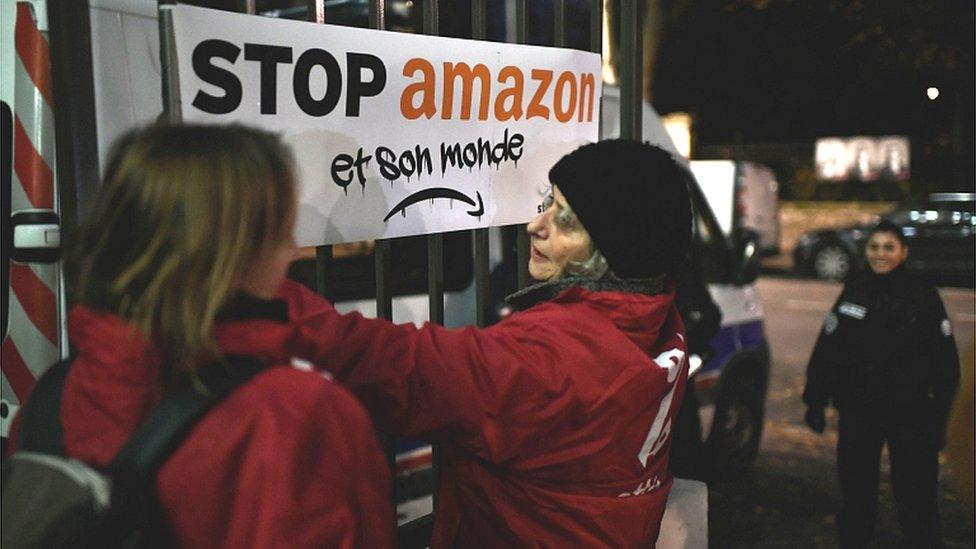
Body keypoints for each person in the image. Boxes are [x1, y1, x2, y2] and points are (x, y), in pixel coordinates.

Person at [284, 139, 694, 546]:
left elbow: (400, 366)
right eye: (548, 203)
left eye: (565, 221)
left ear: (615, 252)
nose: (536, 224)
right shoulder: (660, 321)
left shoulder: (548, 358)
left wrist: (266, 294)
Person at [45, 125, 395, 547]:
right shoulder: (298, 414)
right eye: (282, 227)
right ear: (235, 249)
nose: (291, 247)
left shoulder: (51, 397)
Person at [803, 220, 960, 548]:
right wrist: (814, 399)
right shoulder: (856, 289)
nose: (880, 254)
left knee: (917, 502)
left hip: (912, 415)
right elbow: (828, 347)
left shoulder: (923, 296)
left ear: (903, 252)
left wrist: (944, 418)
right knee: (857, 500)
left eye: (889, 247)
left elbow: (946, 364)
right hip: (860, 412)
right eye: (874, 247)